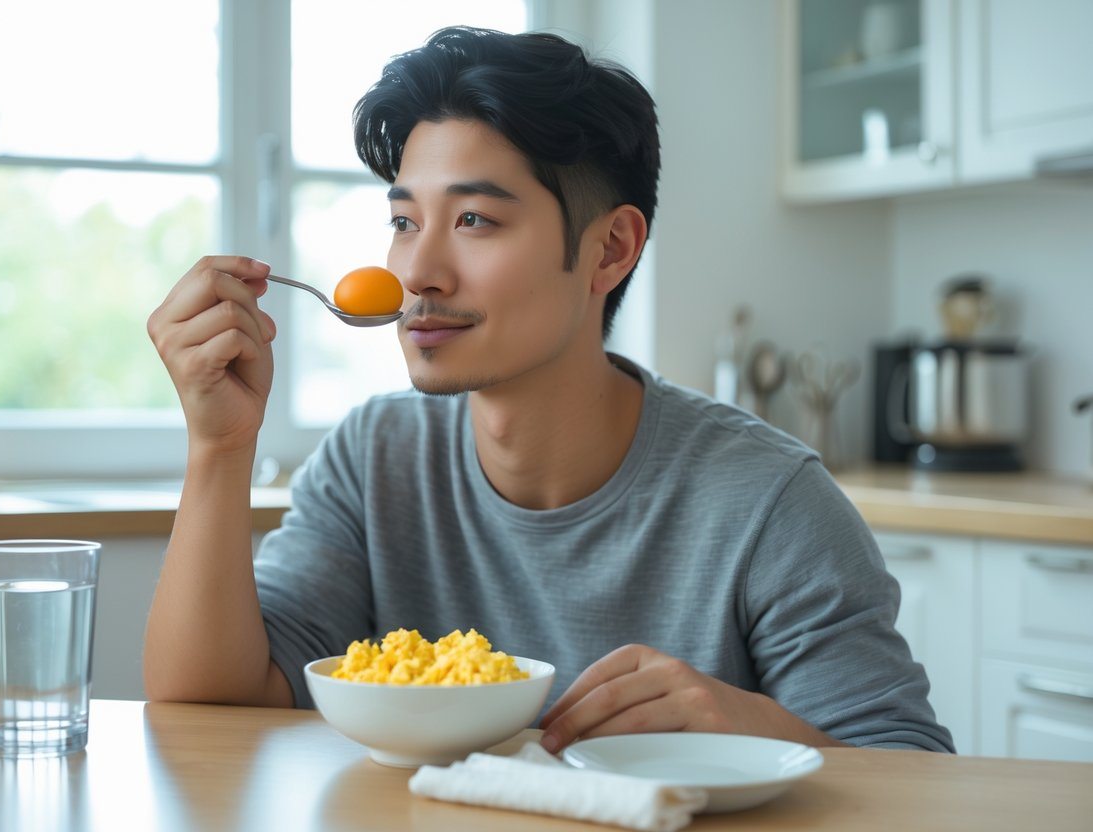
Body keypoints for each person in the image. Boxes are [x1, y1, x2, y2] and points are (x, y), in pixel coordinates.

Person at [144, 26, 954, 754]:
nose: (417, 273)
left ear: (610, 250)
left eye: (473, 221)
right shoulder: (372, 460)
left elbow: (913, 776)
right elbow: (214, 705)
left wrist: (750, 724)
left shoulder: (767, 499)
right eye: (403, 221)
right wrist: (219, 446)